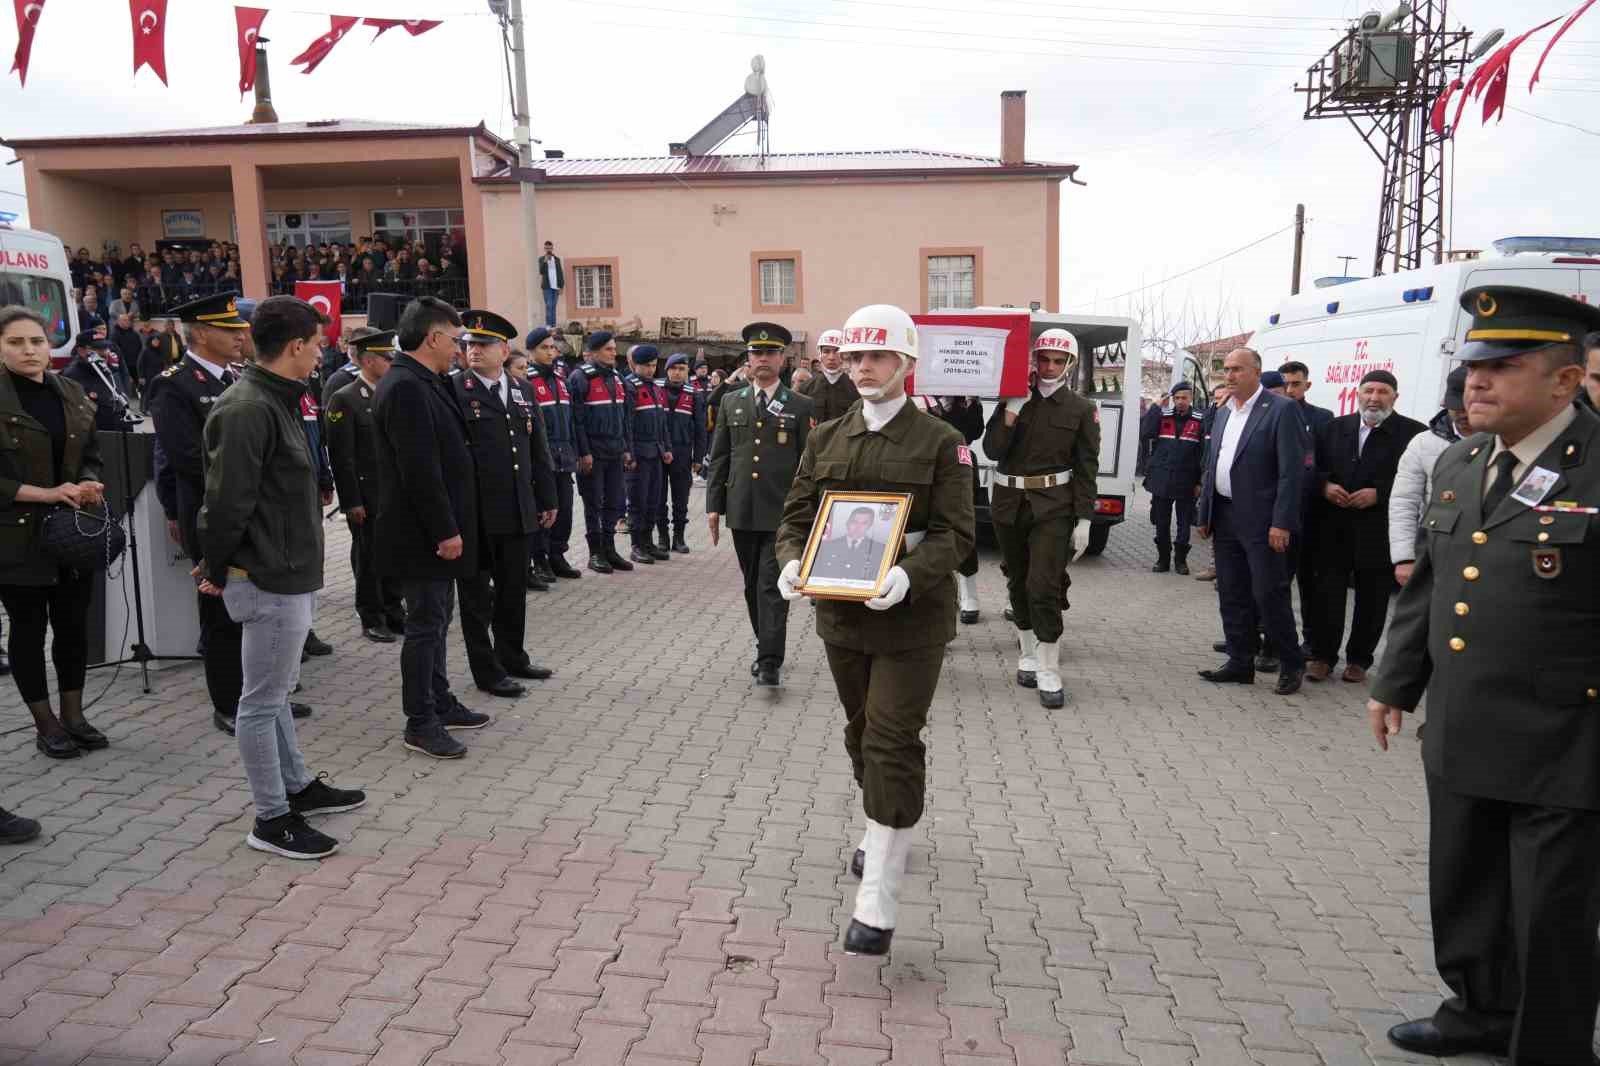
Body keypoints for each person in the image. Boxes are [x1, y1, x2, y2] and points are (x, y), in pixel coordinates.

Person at [1367, 286, 1600, 1066]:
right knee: (1465, 888)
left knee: (1550, 913)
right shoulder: (1463, 460)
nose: (1478, 381)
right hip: (1465, 725)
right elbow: (1428, 587)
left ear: (1566, 382)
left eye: (1504, 366)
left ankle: (1550, 1045)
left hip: (1567, 739)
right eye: (1473, 365)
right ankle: (1477, 1014)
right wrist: (1394, 683)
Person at [774, 303, 975, 956]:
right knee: (862, 735)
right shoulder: (825, 436)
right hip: (840, 616)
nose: (863, 367)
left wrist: (911, 575)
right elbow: (796, 516)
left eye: (878, 356)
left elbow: (956, 533)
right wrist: (788, 564)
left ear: (906, 364)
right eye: (856, 356)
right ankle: (880, 824)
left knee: (891, 738)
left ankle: (877, 901)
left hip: (911, 619)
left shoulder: (941, 442)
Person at [197, 295, 366, 860]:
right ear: (296, 346)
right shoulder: (247, 408)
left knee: (276, 691)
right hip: (265, 574)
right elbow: (225, 502)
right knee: (261, 701)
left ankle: (298, 786)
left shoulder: (277, 399)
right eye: (318, 344)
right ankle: (271, 818)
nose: (322, 353)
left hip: (286, 569)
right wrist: (216, 567)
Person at [373, 296, 488, 760]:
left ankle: (439, 700)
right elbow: (418, 468)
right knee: (425, 626)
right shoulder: (404, 386)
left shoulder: (427, 380)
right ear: (434, 337)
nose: (460, 349)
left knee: (438, 621)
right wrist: (445, 530)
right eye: (457, 340)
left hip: (438, 528)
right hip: (421, 533)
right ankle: (419, 721)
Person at [0, 305, 108, 775]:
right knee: (28, 631)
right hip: (16, 539)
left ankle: (74, 715)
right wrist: (45, 493)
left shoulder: (70, 392)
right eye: (16, 342)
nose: (29, 350)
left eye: (37, 342)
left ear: (50, 346)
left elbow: (92, 454)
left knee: (72, 626)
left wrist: (88, 482)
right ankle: (45, 725)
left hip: (71, 535)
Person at [146, 293, 256, 735]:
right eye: (230, 329)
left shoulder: (237, 377)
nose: (240, 335)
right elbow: (188, 457)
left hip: (245, 509)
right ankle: (228, 703)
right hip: (209, 513)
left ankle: (257, 696)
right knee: (218, 611)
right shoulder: (174, 384)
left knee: (249, 608)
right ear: (203, 333)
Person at [982, 329, 1099, 708]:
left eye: (1058, 360)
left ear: (1070, 364)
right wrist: (1012, 411)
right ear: (1034, 360)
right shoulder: (1013, 399)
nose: (1049, 367)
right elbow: (992, 449)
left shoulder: (1080, 408)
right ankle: (1028, 652)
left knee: (1043, 586)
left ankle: (1049, 667)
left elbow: (1086, 467)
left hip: (1053, 506)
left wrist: (1084, 519)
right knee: (1017, 580)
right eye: (1044, 358)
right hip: (1009, 503)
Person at [452, 310, 557, 698]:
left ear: (502, 349)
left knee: (513, 590)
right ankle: (486, 670)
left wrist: (547, 497)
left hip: (517, 507)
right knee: (477, 597)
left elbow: (536, 448)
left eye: (483, 344)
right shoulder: (455, 389)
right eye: (468, 344)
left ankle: (512, 656)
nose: (474, 351)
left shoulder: (521, 389)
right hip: (476, 512)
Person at [1195, 347, 1309, 695]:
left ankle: (1292, 663)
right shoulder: (1224, 412)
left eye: (1237, 370)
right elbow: (1213, 464)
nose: (1229, 376)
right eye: (1225, 369)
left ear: (1257, 372)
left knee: (1268, 594)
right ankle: (1239, 661)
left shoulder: (1281, 410)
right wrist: (1206, 512)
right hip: (1226, 516)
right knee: (1231, 593)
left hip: (1263, 522)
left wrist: (1282, 522)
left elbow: (1292, 473)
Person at [707, 322, 814, 687]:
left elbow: (807, 463)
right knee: (752, 584)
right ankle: (764, 642)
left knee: (771, 583)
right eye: (756, 353)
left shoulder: (800, 405)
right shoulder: (731, 400)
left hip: (782, 511)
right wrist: (713, 506)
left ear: (782, 359)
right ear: (748, 359)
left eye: (770, 353)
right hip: (741, 508)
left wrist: (808, 511)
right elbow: (720, 456)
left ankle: (769, 660)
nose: (763, 359)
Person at [1304, 370, 1425, 684]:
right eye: (1368, 390)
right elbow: (1310, 467)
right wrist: (1324, 486)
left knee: (1372, 598)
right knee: (1326, 594)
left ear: (1394, 397)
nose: (1374, 397)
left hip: (1379, 529)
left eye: (1383, 391)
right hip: (1333, 526)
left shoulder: (1413, 435)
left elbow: (1419, 483)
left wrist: (1379, 494)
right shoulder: (1333, 429)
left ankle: (1359, 659)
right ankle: (1322, 656)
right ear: (1357, 394)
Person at [326, 330, 406, 642]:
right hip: (367, 494)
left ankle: (394, 610)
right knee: (369, 557)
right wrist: (350, 502)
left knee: (394, 553)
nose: (392, 362)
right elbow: (341, 456)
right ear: (369, 360)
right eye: (388, 358)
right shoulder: (345, 398)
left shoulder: (392, 393)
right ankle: (372, 615)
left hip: (394, 492)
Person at [1389, 367, 1471, 588]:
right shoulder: (1423, 443)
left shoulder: (1504, 439)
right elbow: (1404, 502)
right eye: (1456, 408)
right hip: (1434, 551)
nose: (1463, 414)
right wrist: (1405, 558)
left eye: (1468, 408)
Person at [569, 331, 634, 574]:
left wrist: (627, 448)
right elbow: (576, 421)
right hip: (593, 453)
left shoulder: (617, 378)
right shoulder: (580, 378)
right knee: (593, 503)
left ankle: (609, 549)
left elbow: (624, 418)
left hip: (615, 452)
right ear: (594, 352)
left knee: (615, 502)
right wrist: (583, 453)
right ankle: (595, 553)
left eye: (614, 348)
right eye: (608, 349)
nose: (613, 353)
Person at [916, 395, 985, 621]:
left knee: (962, 526)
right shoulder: (917, 394)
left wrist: (970, 403)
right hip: (922, 465)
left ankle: (968, 590)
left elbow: (974, 432)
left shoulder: (966, 398)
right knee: (925, 531)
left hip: (959, 463)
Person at [526, 328, 582, 581]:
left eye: (552, 348)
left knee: (565, 510)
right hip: (541, 456)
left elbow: (571, 421)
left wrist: (576, 451)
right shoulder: (526, 380)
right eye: (543, 348)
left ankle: (557, 555)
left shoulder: (561, 379)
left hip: (564, 454)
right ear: (531, 352)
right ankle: (539, 559)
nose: (550, 352)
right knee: (543, 510)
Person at [1137, 381, 1204, 575]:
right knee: (1161, 522)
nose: (1181, 402)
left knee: (1184, 524)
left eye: (1184, 398)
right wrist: (1156, 406)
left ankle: (1181, 561)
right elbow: (1146, 433)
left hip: (1187, 480)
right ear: (1172, 399)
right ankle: (1163, 559)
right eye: (1177, 398)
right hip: (1161, 479)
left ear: (1191, 398)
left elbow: (1204, 453)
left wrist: (1199, 482)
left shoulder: (1200, 419)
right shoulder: (1162, 415)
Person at [623, 345, 670, 565]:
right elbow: (627, 424)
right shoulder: (630, 386)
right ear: (635, 365)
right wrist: (629, 453)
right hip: (639, 455)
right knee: (637, 501)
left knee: (654, 500)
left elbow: (663, 422)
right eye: (646, 366)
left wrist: (666, 447)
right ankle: (637, 544)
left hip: (656, 453)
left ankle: (648, 542)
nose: (651, 370)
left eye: (653, 365)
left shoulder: (656, 388)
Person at [659, 353, 705, 553]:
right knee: (657, 498)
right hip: (657, 452)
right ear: (667, 370)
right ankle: (662, 538)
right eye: (673, 368)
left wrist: (698, 458)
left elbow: (701, 429)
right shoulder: (656, 389)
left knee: (680, 498)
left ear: (687, 372)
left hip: (683, 452)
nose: (677, 373)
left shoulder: (694, 393)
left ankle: (679, 538)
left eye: (681, 369)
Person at [62, 332, 135, 432]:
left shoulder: (110, 368)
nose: (104, 352)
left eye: (105, 348)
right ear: (81, 351)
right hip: (96, 435)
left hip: (119, 432)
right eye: (97, 349)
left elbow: (120, 398)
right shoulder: (71, 376)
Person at [796, 328, 859, 425]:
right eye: (826, 351)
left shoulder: (856, 387)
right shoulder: (806, 388)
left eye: (836, 351)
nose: (831, 357)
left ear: (845, 354)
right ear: (820, 354)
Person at [811, 506, 888, 580]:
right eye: (854, 521)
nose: (858, 526)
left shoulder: (880, 550)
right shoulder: (827, 547)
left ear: (870, 526)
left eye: (864, 523)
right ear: (848, 522)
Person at [538, 241, 564, 328]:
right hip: (547, 287)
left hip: (556, 287)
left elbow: (560, 273)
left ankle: (553, 325)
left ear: (552, 248)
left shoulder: (557, 259)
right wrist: (545, 261)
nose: (548, 250)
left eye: (550, 248)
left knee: (553, 307)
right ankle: (548, 325)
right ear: (544, 249)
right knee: (549, 306)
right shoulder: (541, 259)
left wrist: (561, 286)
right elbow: (541, 271)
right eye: (547, 248)